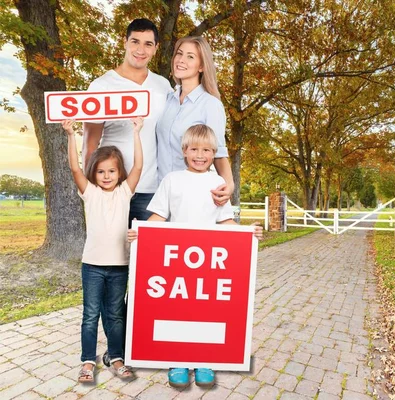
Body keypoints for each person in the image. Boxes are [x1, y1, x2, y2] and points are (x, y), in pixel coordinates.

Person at [128, 124, 263, 388]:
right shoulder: (172, 180)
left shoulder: (217, 183)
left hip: (209, 262)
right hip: (178, 261)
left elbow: (224, 221)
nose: (200, 155)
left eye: (206, 150)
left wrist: (247, 234)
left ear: (214, 153)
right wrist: (141, 232)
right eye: (194, 149)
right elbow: (158, 216)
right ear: (184, 151)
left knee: (206, 311)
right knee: (178, 309)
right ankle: (177, 360)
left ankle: (204, 359)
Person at [82, 18, 172, 369]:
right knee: (113, 271)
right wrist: (93, 190)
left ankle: (137, 341)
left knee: (149, 272)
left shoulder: (163, 86)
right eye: (135, 42)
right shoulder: (102, 84)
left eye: (148, 44)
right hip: (113, 192)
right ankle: (116, 349)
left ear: (155, 48)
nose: (140, 50)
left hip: (151, 189)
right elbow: (91, 140)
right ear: (125, 42)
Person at [62, 118, 143, 383]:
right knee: (90, 315)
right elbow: (75, 168)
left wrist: (136, 131)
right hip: (92, 266)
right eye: (101, 172)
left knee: (115, 315)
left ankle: (117, 358)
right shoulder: (90, 193)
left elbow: (139, 165)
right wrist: (70, 133)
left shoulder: (124, 193)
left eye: (112, 171)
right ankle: (87, 362)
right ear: (93, 173)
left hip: (119, 267)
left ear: (120, 173)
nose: (106, 176)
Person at [156, 36, 234, 207]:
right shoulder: (167, 100)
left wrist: (229, 185)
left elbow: (218, 151)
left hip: (192, 194)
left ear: (201, 66)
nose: (181, 60)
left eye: (190, 56)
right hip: (160, 194)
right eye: (179, 54)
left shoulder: (210, 105)